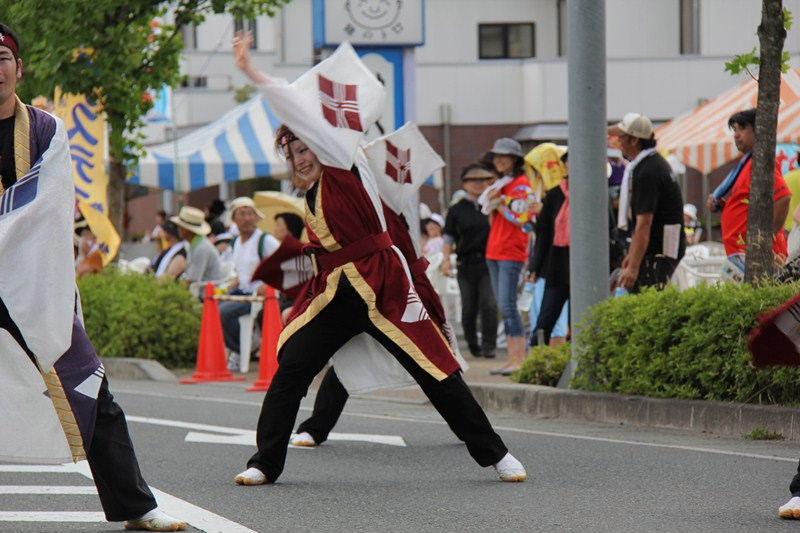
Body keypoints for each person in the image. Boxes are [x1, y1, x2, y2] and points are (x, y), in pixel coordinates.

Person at [231, 31, 525, 485]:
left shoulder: (341, 161)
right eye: (292, 154)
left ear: (320, 142)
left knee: (433, 369)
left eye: (304, 147)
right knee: (292, 370)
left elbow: (301, 115)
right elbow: (326, 253)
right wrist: (288, 280)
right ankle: (264, 463)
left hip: (383, 285)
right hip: (336, 295)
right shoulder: (313, 194)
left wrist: (252, 72)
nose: (300, 159)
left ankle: (497, 454)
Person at [0, 23, 185, 532]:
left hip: (32, 286)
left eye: (2, 58)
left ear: (19, 68)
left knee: (89, 385)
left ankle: (135, 506)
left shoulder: (46, 131)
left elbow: (47, 206)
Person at [707, 108, 791, 272]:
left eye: (742, 128)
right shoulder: (747, 164)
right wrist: (725, 206)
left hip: (757, 255)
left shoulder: (760, 162)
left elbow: (784, 198)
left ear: (758, 130)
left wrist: (765, 240)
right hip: (742, 254)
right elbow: (749, 204)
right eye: (734, 130)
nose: (736, 135)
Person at [611, 113, 685, 291]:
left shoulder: (647, 171)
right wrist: (632, 255)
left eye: (622, 137)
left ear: (634, 140)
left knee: (648, 296)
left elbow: (644, 223)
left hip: (658, 250)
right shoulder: (652, 163)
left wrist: (633, 266)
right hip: (662, 246)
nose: (618, 141)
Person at [484, 138, 533, 375]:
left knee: (508, 305)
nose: (499, 160)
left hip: (511, 251)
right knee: (504, 306)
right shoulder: (501, 184)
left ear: (515, 159)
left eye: (504, 156)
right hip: (494, 249)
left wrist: (500, 203)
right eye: (497, 156)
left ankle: (519, 359)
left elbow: (521, 218)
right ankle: (512, 358)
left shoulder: (521, 185)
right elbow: (494, 218)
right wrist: (495, 201)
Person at [442, 164, 499, 359]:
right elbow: (448, 237)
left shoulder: (493, 206)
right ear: (464, 183)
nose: (478, 184)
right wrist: (446, 260)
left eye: (483, 180)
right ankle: (473, 344)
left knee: (489, 304)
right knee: (469, 307)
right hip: (465, 263)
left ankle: (489, 345)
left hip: (489, 262)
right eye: (473, 180)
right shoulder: (456, 210)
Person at [218, 196, 279, 365]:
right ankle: (242, 348)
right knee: (212, 307)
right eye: (242, 214)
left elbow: (283, 266)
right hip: (242, 293)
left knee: (224, 311)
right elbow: (238, 272)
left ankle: (243, 350)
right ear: (234, 219)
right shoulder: (235, 242)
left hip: (259, 297)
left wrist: (268, 285)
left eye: (250, 213)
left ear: (256, 217)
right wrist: (233, 282)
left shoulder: (266, 241)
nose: (247, 218)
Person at [528, 150, 570, 346]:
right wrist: (535, 267)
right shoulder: (554, 195)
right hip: (557, 265)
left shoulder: (596, 192)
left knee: (583, 321)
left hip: (586, 268)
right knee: (545, 320)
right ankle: (539, 357)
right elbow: (543, 234)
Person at [172, 205, 223, 285]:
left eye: (180, 226)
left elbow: (192, 280)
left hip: (206, 290)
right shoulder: (195, 243)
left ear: (187, 229)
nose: (178, 229)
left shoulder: (201, 248)